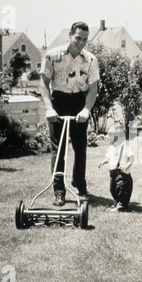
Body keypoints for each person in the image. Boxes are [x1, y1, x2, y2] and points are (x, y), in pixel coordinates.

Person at [40, 22, 100, 206]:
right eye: (78, 38)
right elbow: (43, 83)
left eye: (85, 39)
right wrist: (49, 108)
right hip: (59, 101)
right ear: (70, 36)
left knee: (80, 147)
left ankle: (80, 185)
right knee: (58, 149)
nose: (81, 42)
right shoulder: (52, 56)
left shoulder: (90, 60)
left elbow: (93, 88)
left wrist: (86, 110)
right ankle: (59, 191)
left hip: (79, 103)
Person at [98, 125, 134, 212]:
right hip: (113, 173)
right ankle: (118, 201)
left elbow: (132, 158)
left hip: (122, 174)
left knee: (121, 188)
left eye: (109, 135)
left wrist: (127, 165)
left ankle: (122, 204)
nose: (107, 137)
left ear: (116, 138)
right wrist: (104, 162)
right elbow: (109, 158)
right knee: (113, 189)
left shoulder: (125, 148)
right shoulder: (111, 148)